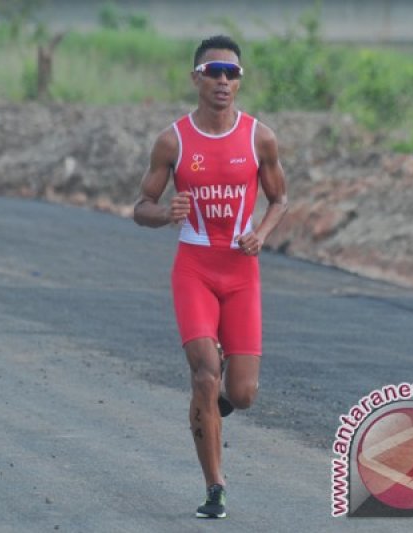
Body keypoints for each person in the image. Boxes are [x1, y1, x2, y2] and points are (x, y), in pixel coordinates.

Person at [133, 35, 288, 519]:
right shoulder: (173, 140)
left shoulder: (259, 137)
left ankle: (215, 404)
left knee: (240, 394)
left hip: (241, 273)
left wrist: (261, 233)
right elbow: (142, 208)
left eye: (232, 73)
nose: (224, 81)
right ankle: (215, 486)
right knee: (204, 375)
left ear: (239, 81)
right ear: (196, 77)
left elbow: (280, 199)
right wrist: (165, 214)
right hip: (195, 269)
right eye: (214, 71)